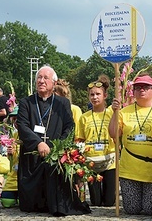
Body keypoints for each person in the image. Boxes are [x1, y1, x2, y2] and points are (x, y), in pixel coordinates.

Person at [16, 65, 90, 216]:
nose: (41, 81)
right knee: (30, 206)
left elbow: (69, 127)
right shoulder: (26, 103)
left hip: (55, 155)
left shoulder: (62, 103)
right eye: (39, 78)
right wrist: (38, 143)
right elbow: (22, 126)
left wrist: (58, 148)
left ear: (54, 83)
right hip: (32, 155)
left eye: (45, 78)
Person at [109, 74, 152, 215]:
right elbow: (114, 134)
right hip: (130, 169)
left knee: (151, 210)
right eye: (137, 87)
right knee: (132, 209)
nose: (141, 90)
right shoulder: (124, 111)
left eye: (146, 87)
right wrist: (115, 113)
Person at [77, 75, 115, 206]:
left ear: (105, 96)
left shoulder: (112, 113)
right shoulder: (84, 117)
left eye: (98, 94)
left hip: (110, 160)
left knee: (110, 202)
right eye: (92, 95)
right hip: (91, 162)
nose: (95, 97)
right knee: (96, 202)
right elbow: (80, 139)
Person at [0, 106, 20, 208]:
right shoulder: (14, 136)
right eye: (14, 119)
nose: (16, 122)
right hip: (13, 176)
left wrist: (17, 151)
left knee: (26, 203)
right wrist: (10, 153)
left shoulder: (33, 135)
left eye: (19, 119)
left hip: (26, 178)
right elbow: (11, 160)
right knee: (6, 201)